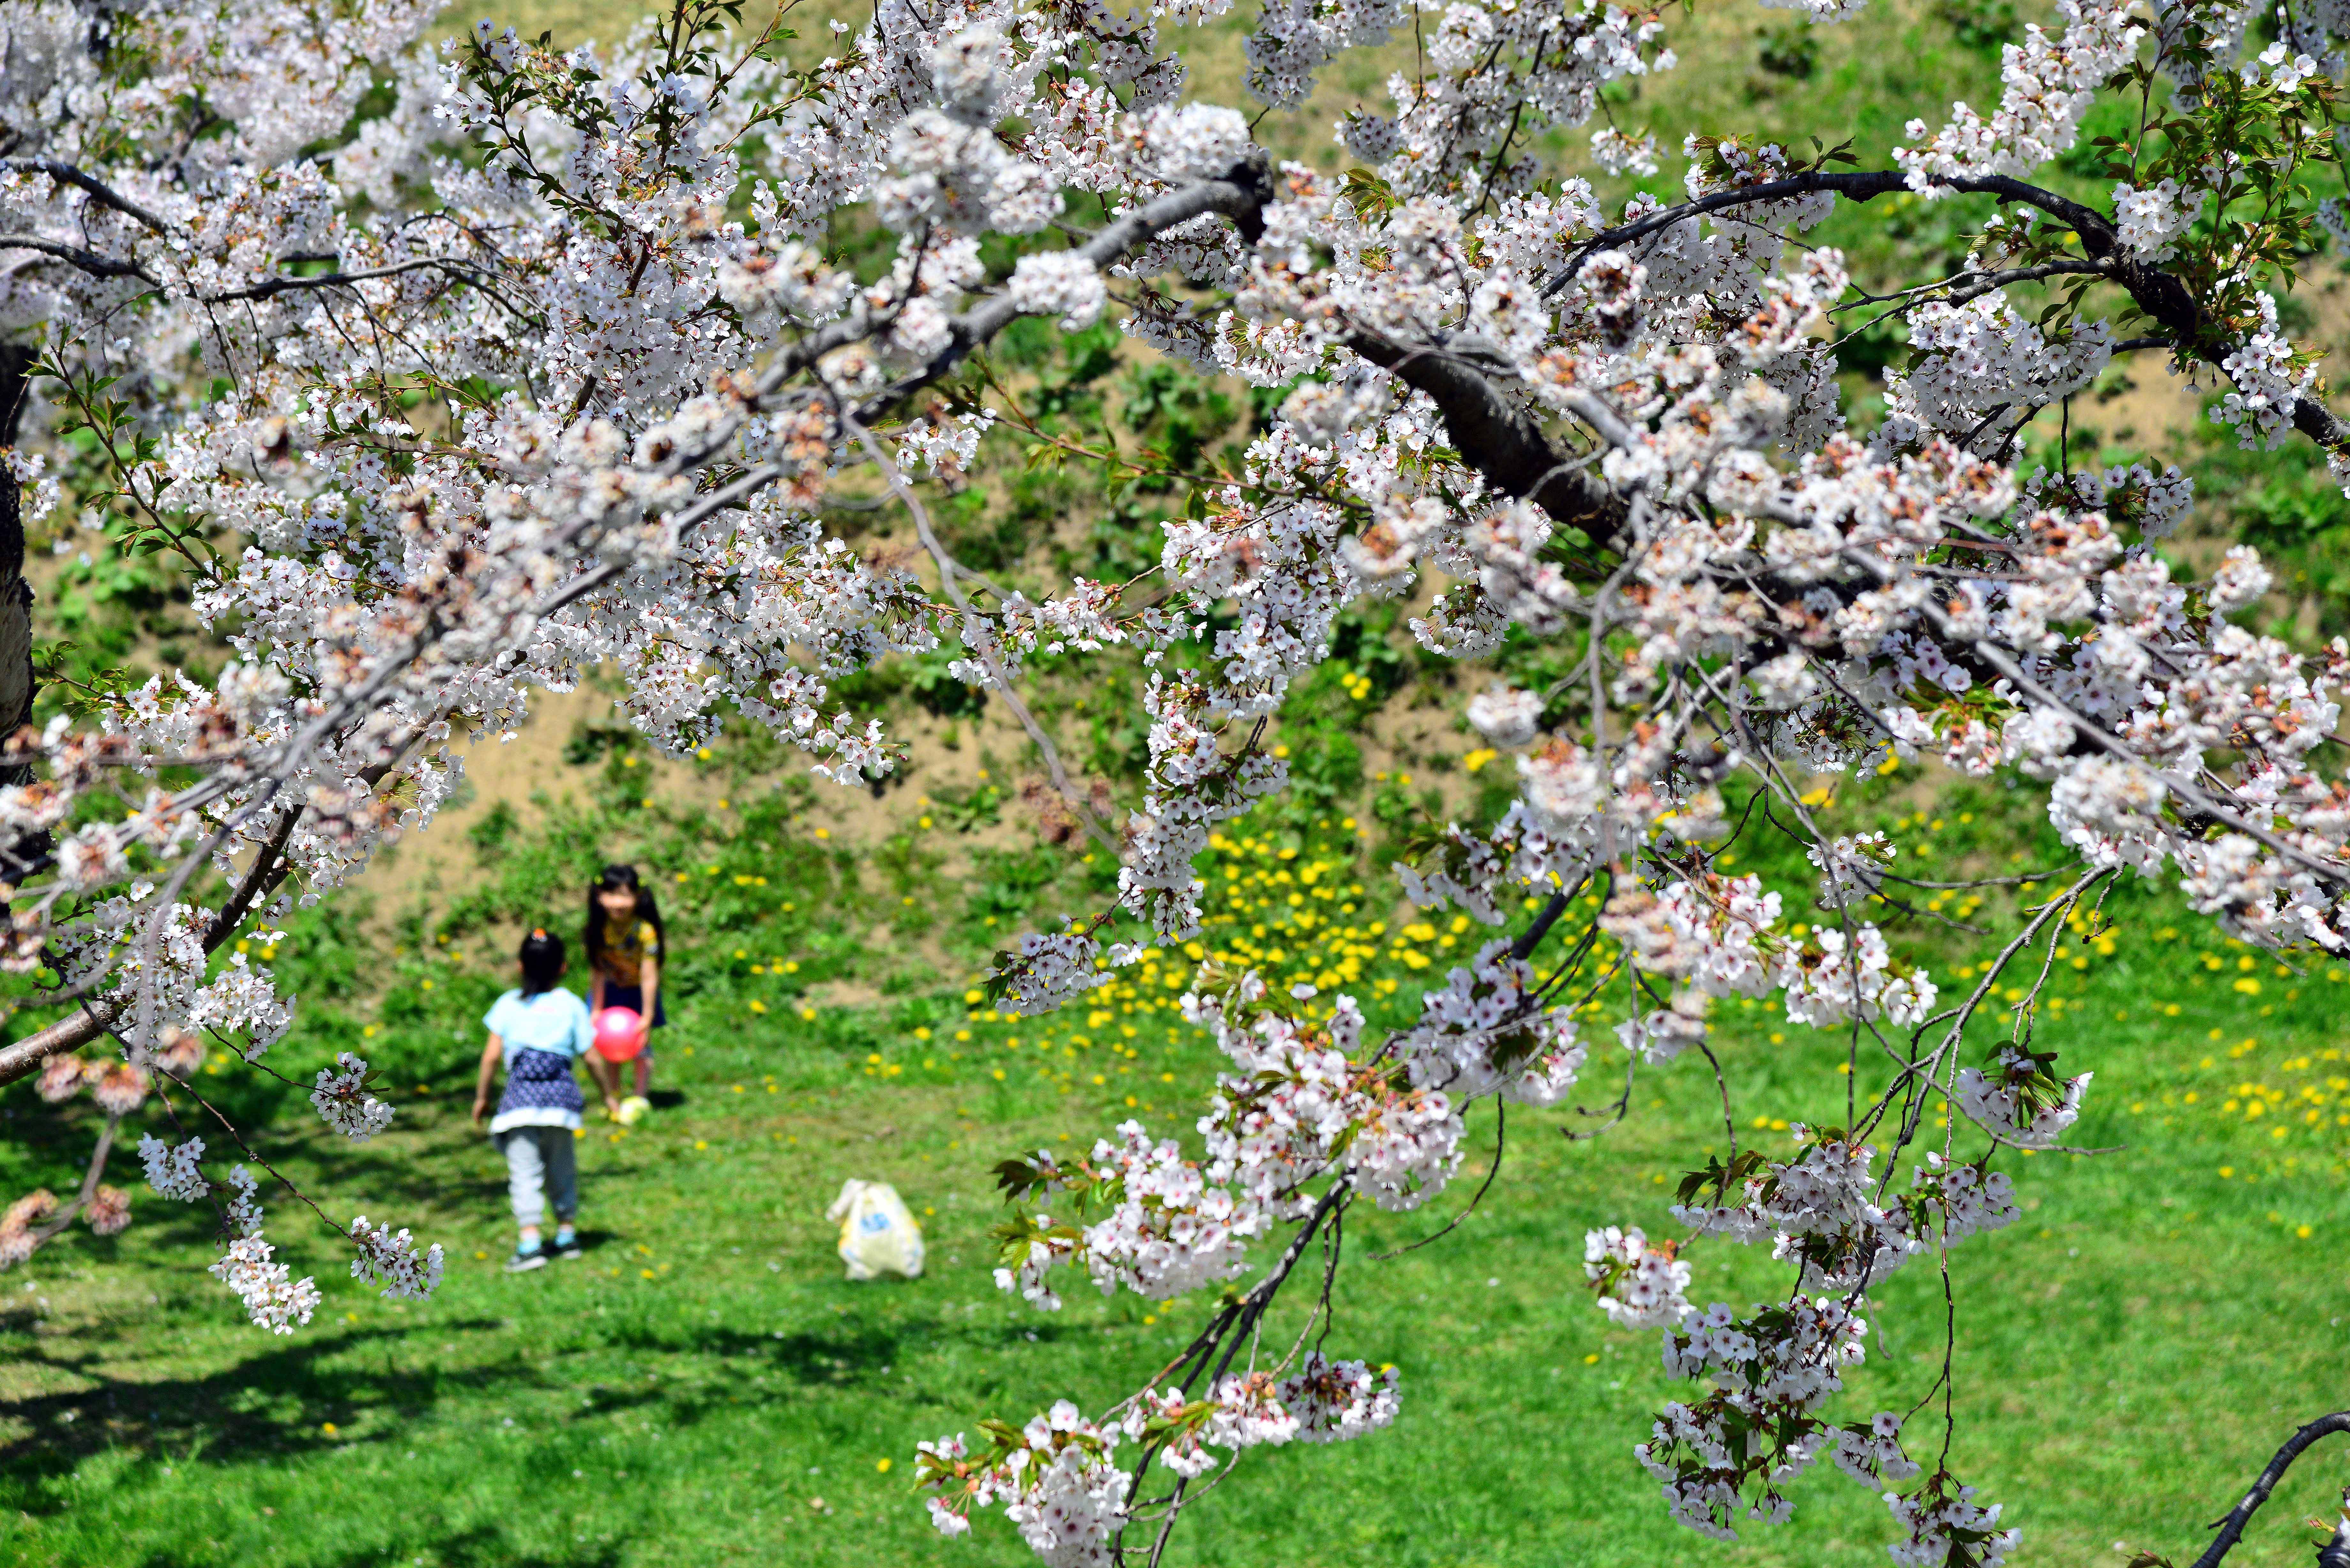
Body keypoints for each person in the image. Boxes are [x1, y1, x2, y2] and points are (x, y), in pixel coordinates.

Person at [471, 928, 620, 1273]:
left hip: (519, 1106)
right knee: (562, 1168)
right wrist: (608, 1095)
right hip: (560, 1107)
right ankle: (567, 1235)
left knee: (525, 1173)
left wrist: (482, 1097)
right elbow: (592, 1057)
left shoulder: (508, 1004)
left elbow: (491, 1057)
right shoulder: (571, 1004)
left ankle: (530, 1243)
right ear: (563, 968)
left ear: (520, 966)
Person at [586, 863, 666, 1103]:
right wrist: (596, 1009)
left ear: (638, 897)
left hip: (638, 994)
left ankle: (640, 1098)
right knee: (611, 1048)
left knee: (641, 1047)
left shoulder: (646, 932)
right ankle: (615, 1095)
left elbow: (649, 976)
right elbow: (598, 972)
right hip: (610, 993)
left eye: (625, 895)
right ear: (600, 896)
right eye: (611, 895)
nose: (618, 903)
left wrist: (648, 1016)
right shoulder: (598, 930)